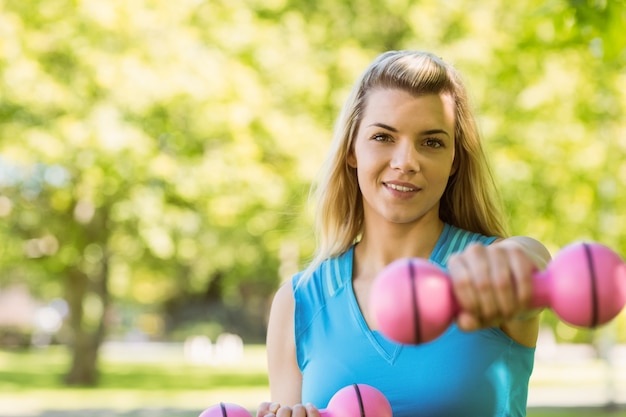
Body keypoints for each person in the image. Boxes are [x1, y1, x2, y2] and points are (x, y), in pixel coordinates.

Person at [257, 50, 552, 417]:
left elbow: (532, 263)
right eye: (383, 137)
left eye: (432, 142)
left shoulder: (492, 272)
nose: (406, 162)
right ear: (352, 149)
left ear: (455, 159)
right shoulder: (299, 303)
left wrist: (520, 258)